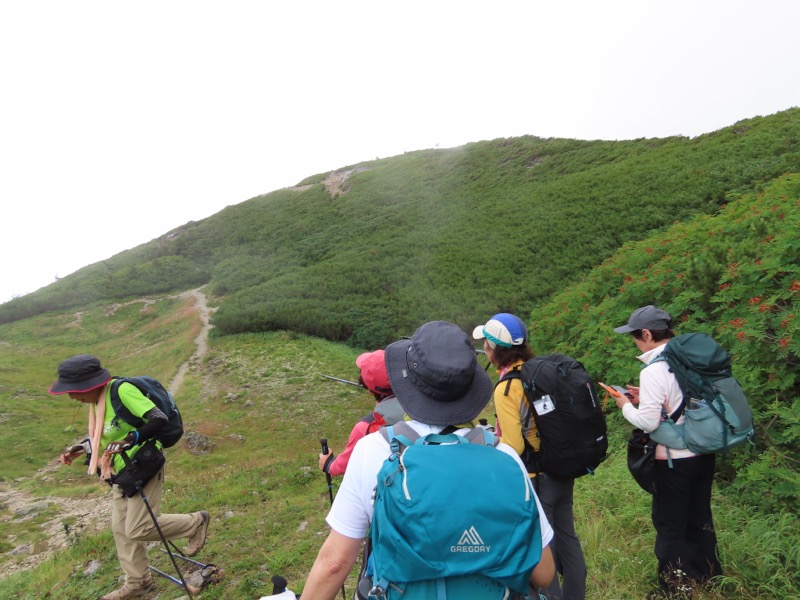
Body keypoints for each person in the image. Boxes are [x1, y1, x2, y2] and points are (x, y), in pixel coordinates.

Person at [301, 320, 555, 599]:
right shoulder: (503, 456)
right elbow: (543, 573)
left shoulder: (372, 451)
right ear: (471, 387)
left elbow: (335, 563)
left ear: (408, 385)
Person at [50, 354, 211, 600]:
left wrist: (132, 439)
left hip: (143, 465)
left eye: (74, 390)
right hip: (119, 472)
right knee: (121, 530)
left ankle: (195, 522)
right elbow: (105, 436)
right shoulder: (97, 403)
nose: (71, 396)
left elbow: (158, 418)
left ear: (89, 385)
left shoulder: (121, 391)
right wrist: (81, 449)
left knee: (138, 528)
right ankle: (138, 583)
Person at [474, 313, 587, 600]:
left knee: (541, 547)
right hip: (562, 467)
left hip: (538, 477)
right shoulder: (539, 371)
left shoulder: (507, 387)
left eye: (485, 344)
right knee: (567, 537)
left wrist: (486, 440)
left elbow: (514, 445)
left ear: (493, 347)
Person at [613, 306, 722, 597]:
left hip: (674, 461)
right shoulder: (690, 359)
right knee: (700, 518)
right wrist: (646, 397)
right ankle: (709, 576)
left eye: (636, 336)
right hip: (704, 453)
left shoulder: (654, 369)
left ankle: (675, 588)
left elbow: (648, 422)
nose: (635, 341)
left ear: (647, 334)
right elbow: (685, 403)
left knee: (670, 525)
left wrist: (626, 406)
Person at [318, 349, 403, 476]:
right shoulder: (423, 407)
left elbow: (342, 467)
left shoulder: (366, 427)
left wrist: (328, 463)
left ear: (369, 390)